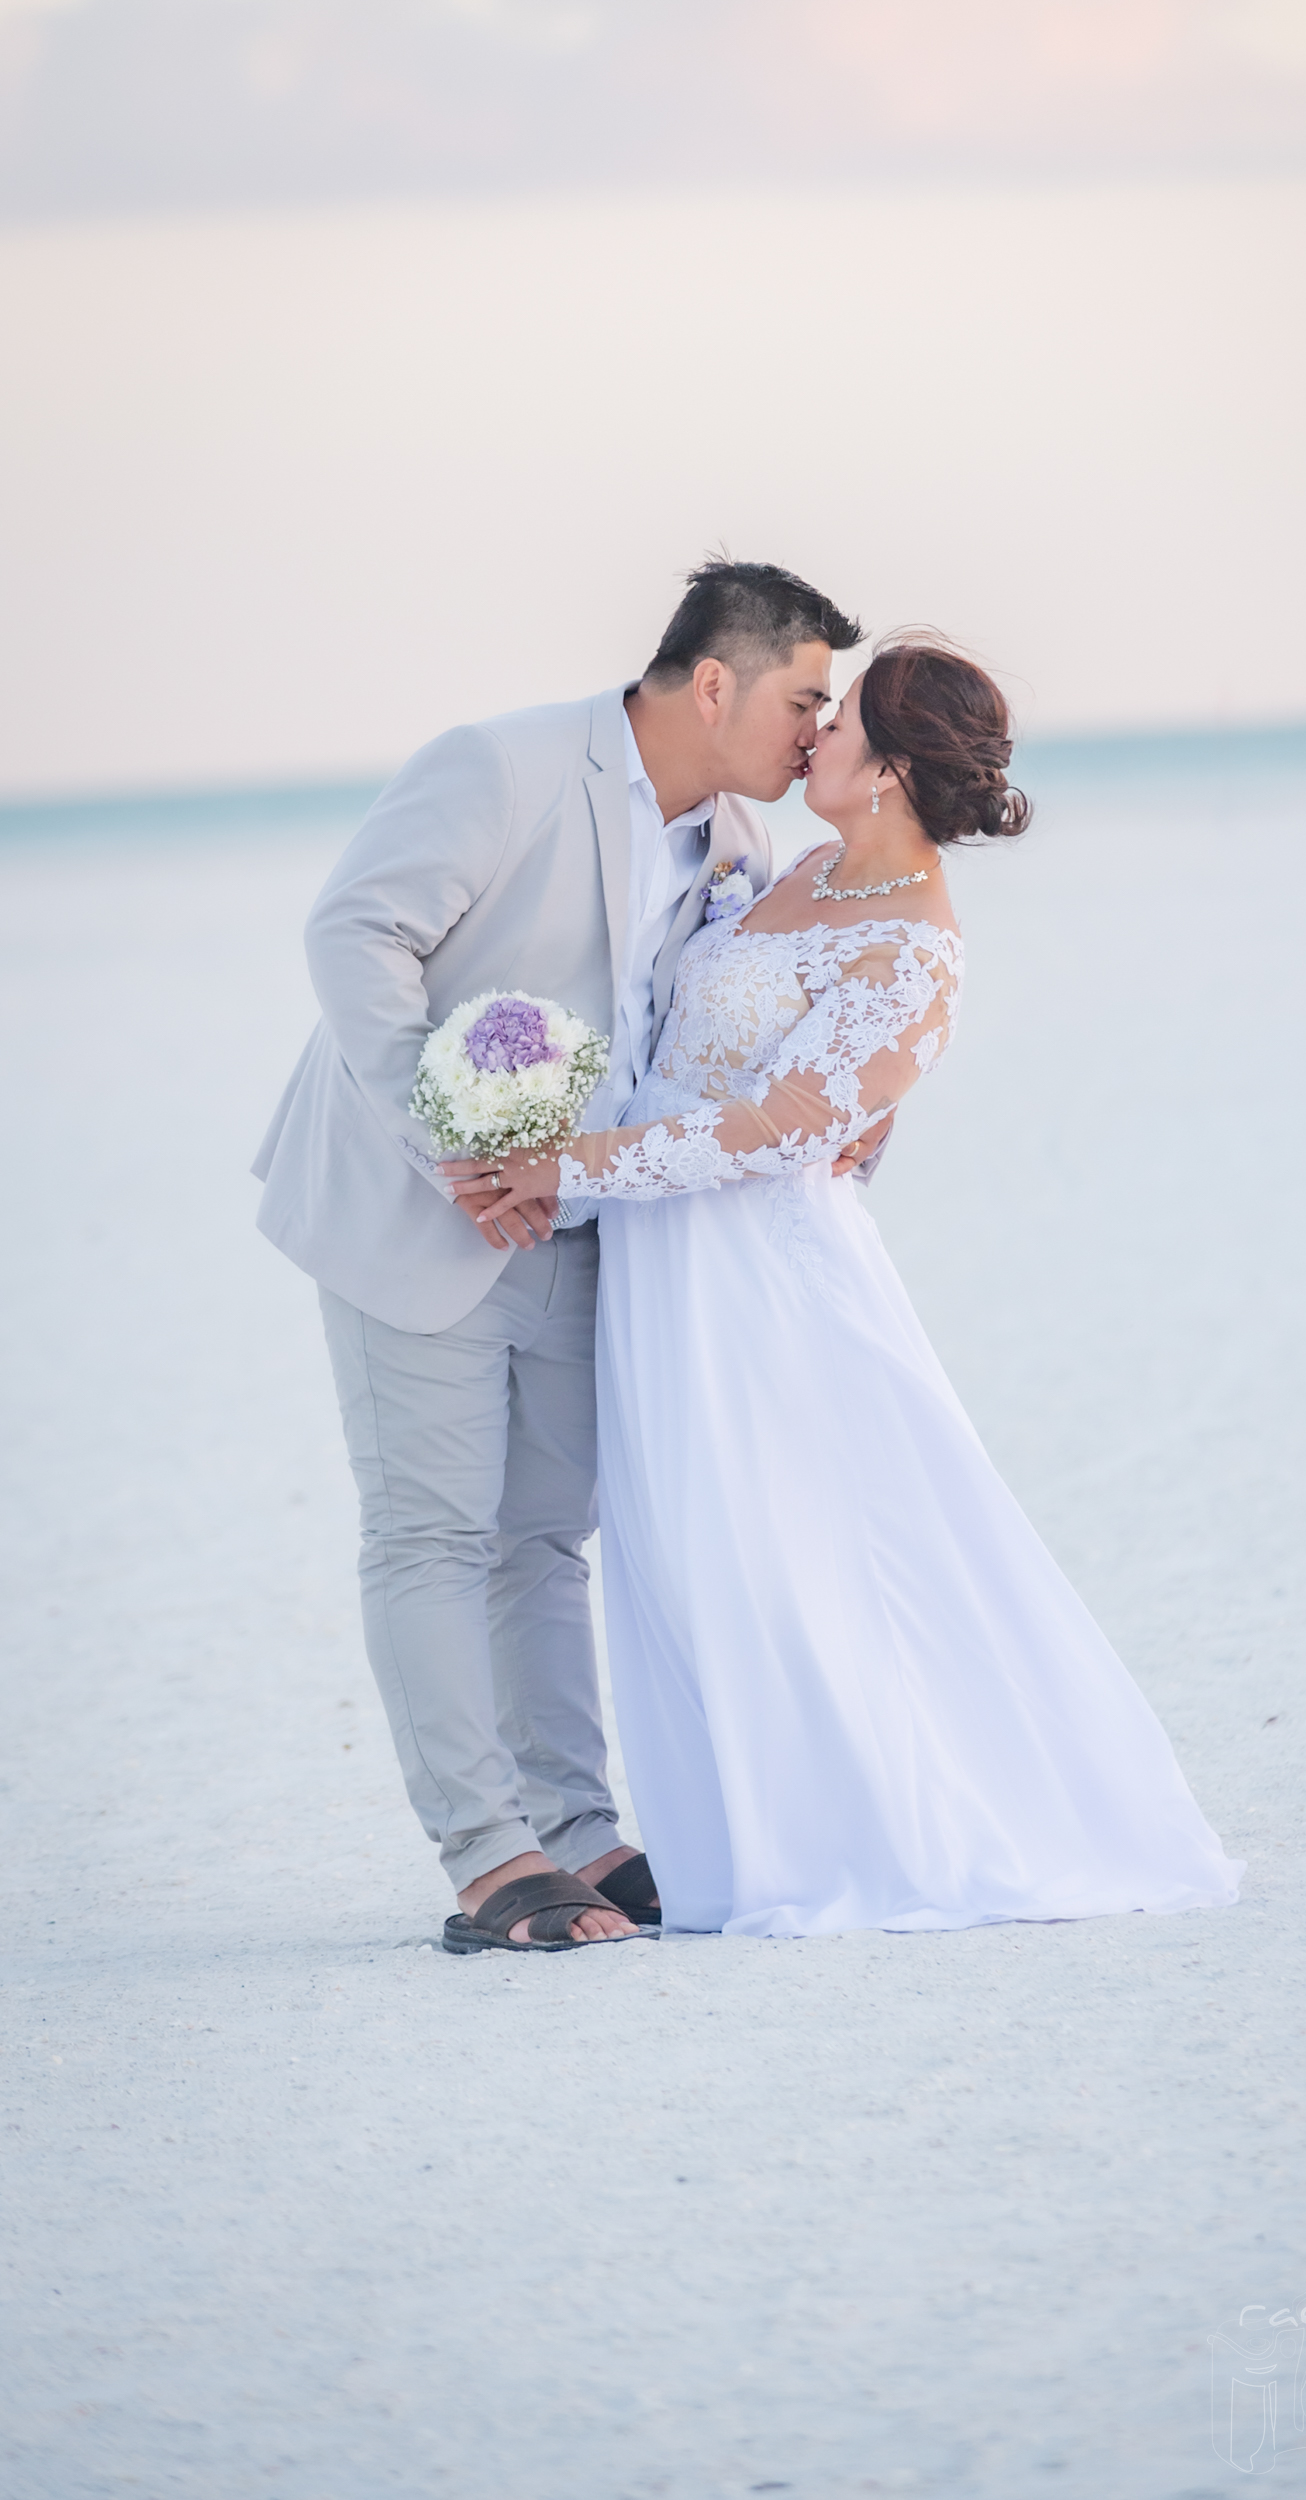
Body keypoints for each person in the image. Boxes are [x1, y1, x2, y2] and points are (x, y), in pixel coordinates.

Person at [446, 640, 1244, 1938]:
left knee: (786, 1554)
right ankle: (733, 1843)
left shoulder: (917, 945)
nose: (810, 731)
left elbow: (777, 1128)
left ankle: (860, 1839)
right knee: (686, 1556)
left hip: (760, 1286)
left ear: (890, 769)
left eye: (840, 718)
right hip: (662, 1266)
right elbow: (711, 1055)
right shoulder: (799, 869)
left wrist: (569, 1165)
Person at [252, 560, 869, 1950]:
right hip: (415, 1209)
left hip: (584, 1228)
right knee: (431, 1530)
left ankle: (577, 1832)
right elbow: (355, 932)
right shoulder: (503, 766)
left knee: (543, 1540)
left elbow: (707, 1032)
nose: (816, 731)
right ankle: (487, 1860)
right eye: (802, 699)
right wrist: (453, 1147)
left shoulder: (737, 842)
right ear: (712, 683)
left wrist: (846, 1112)